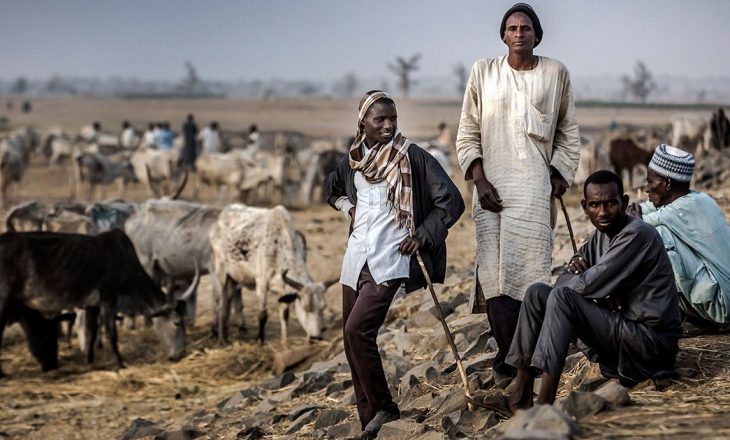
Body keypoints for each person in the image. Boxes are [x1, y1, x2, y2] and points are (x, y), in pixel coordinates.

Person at [482, 170, 681, 416]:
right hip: (622, 336)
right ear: (585, 207)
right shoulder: (600, 236)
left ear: (625, 202)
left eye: (611, 203)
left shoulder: (636, 234)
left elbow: (584, 285)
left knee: (562, 298)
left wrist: (586, 282)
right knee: (536, 294)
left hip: (648, 345)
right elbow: (568, 278)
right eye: (595, 205)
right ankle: (521, 396)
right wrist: (584, 279)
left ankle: (545, 407)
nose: (603, 212)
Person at [454, 2, 581, 388]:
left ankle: (523, 359)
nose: (519, 32)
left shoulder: (555, 73)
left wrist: (559, 174)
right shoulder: (483, 72)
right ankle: (510, 358)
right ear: (503, 35)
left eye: (526, 27)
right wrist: (479, 179)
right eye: (512, 27)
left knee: (530, 278)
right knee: (494, 277)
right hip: (491, 191)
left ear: (537, 34)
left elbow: (568, 132)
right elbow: (467, 132)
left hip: (533, 189)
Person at [325, 90, 464, 437]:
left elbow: (451, 202)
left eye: (393, 119)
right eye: (380, 120)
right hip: (356, 258)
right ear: (363, 124)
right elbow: (331, 188)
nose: (388, 125)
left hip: (391, 259)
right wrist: (347, 208)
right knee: (349, 339)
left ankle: (385, 408)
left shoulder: (412, 157)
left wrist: (423, 235)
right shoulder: (353, 159)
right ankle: (367, 421)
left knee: (358, 331)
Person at [627, 144, 730, 325]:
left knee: (653, 235)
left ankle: (660, 313)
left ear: (667, 183)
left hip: (722, 305)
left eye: (651, 182)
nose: (646, 189)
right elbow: (642, 211)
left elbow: (636, 223)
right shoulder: (699, 199)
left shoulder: (683, 209)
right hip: (724, 296)